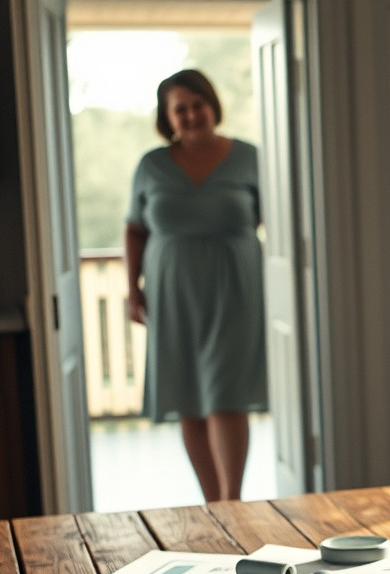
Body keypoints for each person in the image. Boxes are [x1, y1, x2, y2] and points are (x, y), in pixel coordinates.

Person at [125, 69, 268, 502]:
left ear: (213, 106)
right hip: (172, 289)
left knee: (226, 393)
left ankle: (232, 499)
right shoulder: (151, 165)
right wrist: (134, 290)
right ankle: (212, 502)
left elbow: (276, 218)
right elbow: (135, 229)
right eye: (180, 109)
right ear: (167, 117)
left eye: (197, 105)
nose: (191, 115)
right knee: (188, 392)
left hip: (237, 286)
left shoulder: (249, 157)